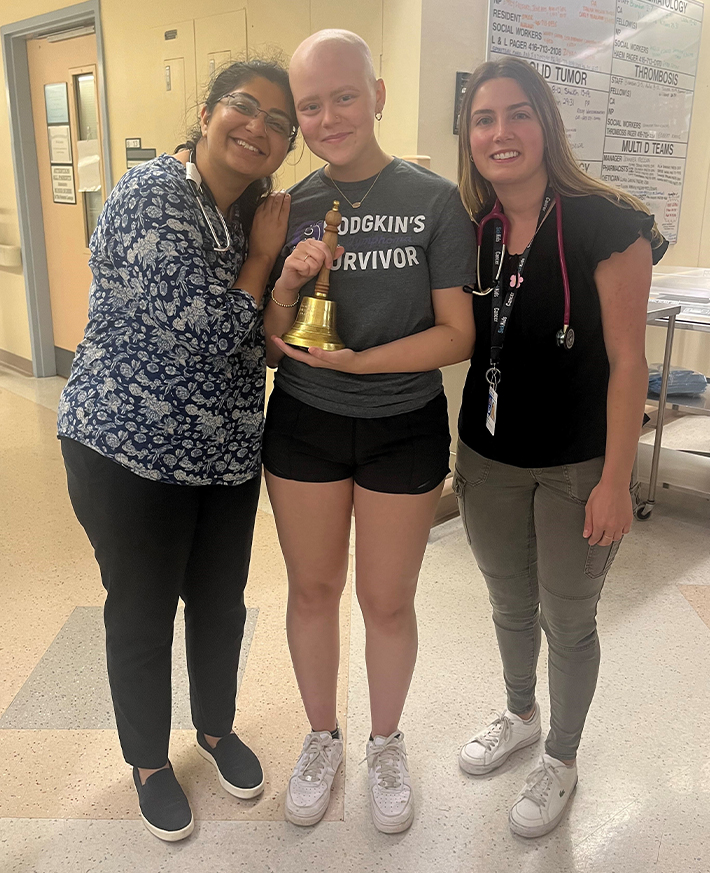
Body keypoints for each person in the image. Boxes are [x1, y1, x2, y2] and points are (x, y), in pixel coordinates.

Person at [57, 59, 298, 841]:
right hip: (128, 448)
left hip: (224, 452)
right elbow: (205, 334)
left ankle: (217, 729)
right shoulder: (151, 193)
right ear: (205, 112)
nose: (258, 126)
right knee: (143, 607)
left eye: (278, 121)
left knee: (221, 602)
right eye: (243, 106)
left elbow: (258, 346)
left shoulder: (250, 211)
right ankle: (149, 762)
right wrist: (263, 264)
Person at [262, 30, 476, 833]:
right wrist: (285, 282)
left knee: (387, 601)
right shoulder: (290, 207)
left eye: (343, 95)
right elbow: (273, 332)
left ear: (377, 94)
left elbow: (458, 333)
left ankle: (386, 741)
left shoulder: (433, 199)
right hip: (304, 426)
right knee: (313, 590)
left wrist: (361, 365)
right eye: (310, 105)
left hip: (402, 426)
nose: (328, 116)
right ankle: (323, 736)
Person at [454, 56, 668, 838]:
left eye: (517, 114)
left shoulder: (610, 222)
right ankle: (519, 714)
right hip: (486, 458)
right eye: (484, 118)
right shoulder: (472, 227)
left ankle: (563, 759)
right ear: (469, 134)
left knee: (568, 617)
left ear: (547, 123)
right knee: (509, 601)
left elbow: (628, 362)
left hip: (578, 463)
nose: (501, 132)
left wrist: (617, 477)